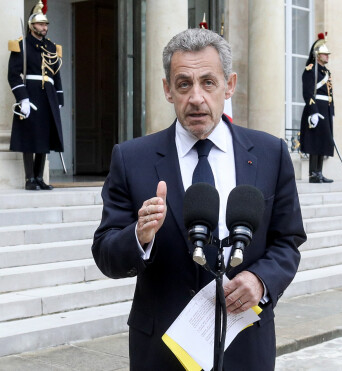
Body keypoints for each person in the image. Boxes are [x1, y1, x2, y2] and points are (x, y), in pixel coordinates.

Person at [92, 28, 306, 370]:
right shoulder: (132, 159)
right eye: (183, 84)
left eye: (208, 82)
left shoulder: (270, 154)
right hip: (162, 350)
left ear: (229, 85)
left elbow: (287, 241)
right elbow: (106, 253)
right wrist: (140, 235)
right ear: (167, 89)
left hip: (245, 345)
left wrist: (261, 280)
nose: (196, 98)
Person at [7, 0, 64, 190]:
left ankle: (40, 177)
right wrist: (22, 98)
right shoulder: (21, 45)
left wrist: (59, 97)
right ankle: (29, 178)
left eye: (45, 24)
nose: (44, 27)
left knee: (44, 137)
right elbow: (13, 75)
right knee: (29, 137)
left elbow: (56, 74)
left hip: (48, 94)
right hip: (30, 94)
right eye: (40, 24)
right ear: (32, 26)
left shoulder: (51, 47)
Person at [299, 32, 334, 183]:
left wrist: (331, 111)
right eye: (325, 54)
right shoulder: (310, 70)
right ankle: (313, 173)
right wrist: (313, 111)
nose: (327, 56)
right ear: (318, 55)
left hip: (325, 108)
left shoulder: (326, 72)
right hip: (315, 108)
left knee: (324, 141)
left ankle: (319, 172)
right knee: (315, 141)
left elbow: (330, 93)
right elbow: (307, 92)